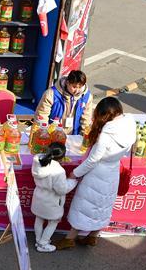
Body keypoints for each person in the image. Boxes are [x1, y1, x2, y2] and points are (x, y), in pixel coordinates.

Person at [56, 96, 136, 249]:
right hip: (112, 172)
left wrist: (75, 173)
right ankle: (92, 237)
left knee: (85, 206)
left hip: (97, 174)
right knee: (103, 206)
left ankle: (69, 239)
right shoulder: (129, 125)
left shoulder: (107, 134)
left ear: (105, 114)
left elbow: (93, 160)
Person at [31, 142, 78, 253]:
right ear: (62, 157)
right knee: (53, 222)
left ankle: (38, 240)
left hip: (39, 197)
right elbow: (62, 190)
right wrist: (72, 181)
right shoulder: (58, 171)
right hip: (52, 201)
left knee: (39, 219)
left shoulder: (38, 162)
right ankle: (43, 243)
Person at [34, 69, 94, 136]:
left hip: (74, 135)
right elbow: (42, 115)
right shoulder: (51, 94)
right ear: (67, 82)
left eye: (80, 87)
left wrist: (84, 135)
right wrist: (43, 133)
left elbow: (86, 119)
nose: (77, 91)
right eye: (74, 87)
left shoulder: (87, 97)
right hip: (53, 133)